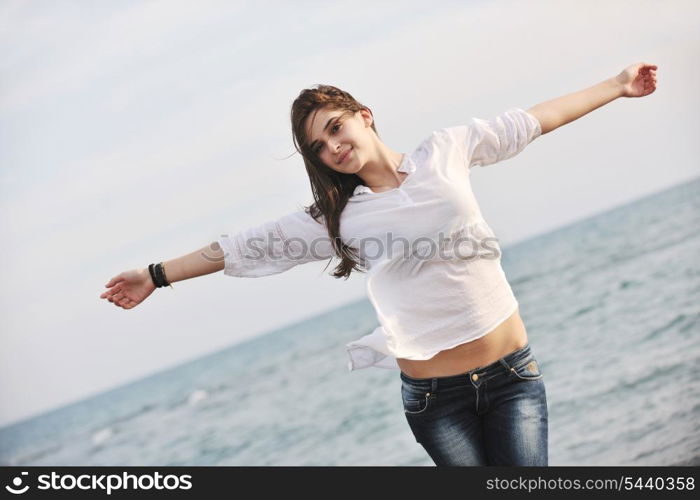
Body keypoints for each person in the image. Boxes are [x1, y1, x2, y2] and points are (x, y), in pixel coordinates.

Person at [100, 62, 658, 466]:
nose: (333, 147)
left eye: (336, 128)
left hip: (512, 375)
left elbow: (534, 120)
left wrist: (616, 86)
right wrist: (154, 275)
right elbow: (244, 246)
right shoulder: (335, 217)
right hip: (437, 401)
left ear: (364, 116)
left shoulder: (447, 149)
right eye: (318, 146)